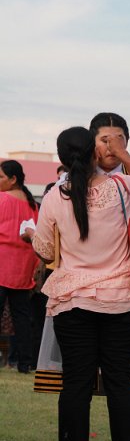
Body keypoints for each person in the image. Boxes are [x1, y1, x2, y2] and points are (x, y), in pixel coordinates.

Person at [32, 126, 130, 441]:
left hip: (72, 302)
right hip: (121, 302)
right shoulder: (121, 187)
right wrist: (121, 153)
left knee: (75, 385)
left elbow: (42, 249)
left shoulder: (56, 196)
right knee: (121, 384)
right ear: (92, 152)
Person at [0, 160, 39, 373]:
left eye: (1, 178)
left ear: (13, 179)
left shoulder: (2, 199)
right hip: (23, 266)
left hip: (2, 263)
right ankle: (25, 363)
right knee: (22, 318)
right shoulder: (33, 205)